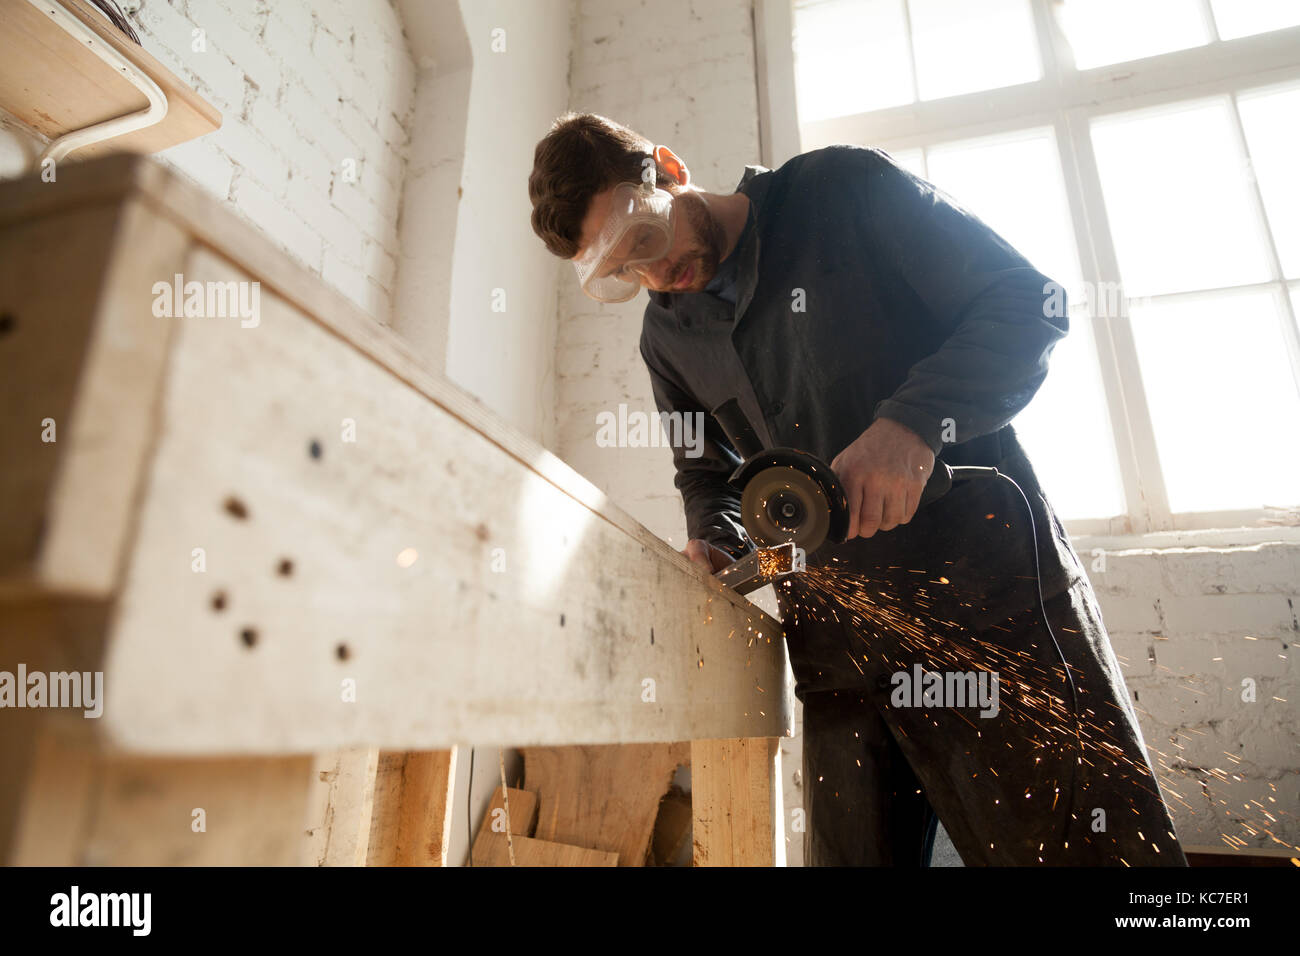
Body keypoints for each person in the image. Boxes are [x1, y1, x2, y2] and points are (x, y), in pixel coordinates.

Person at [528, 111, 1186, 866]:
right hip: (841, 650)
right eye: (619, 273)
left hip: (988, 608)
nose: (651, 275)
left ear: (670, 171)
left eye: (645, 240)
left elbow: (1025, 302)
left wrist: (912, 424)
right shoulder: (666, 338)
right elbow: (704, 472)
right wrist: (713, 540)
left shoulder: (840, 191)